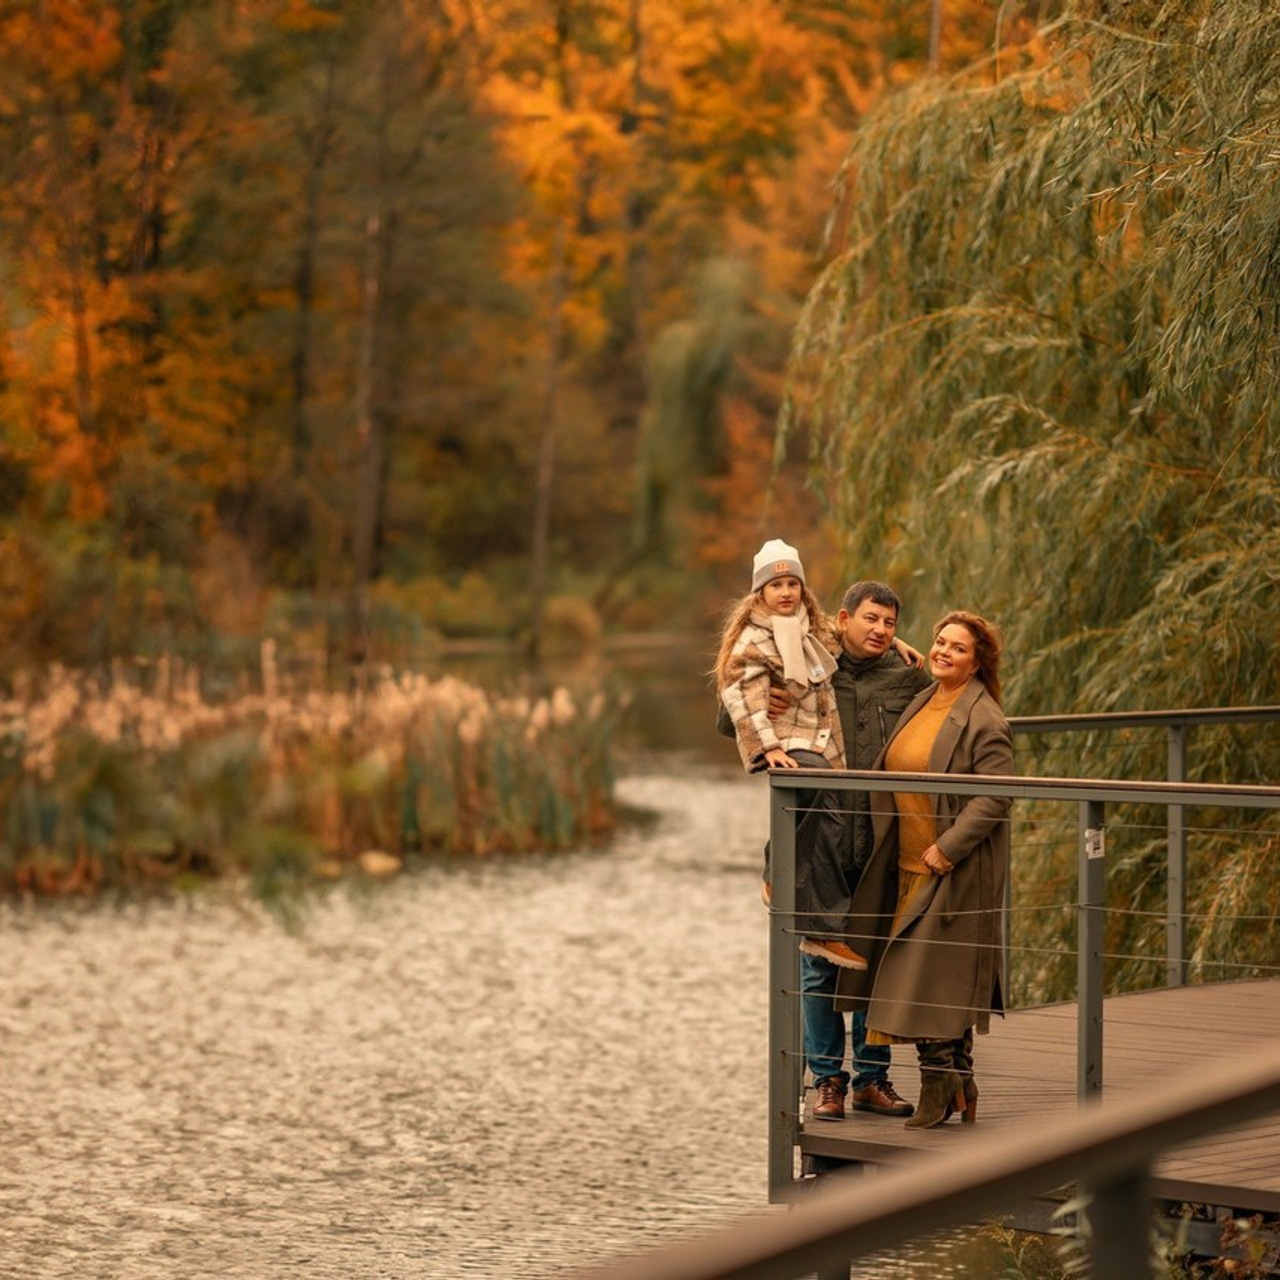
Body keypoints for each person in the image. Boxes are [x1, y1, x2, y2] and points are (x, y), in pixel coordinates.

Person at [717, 577, 929, 1120]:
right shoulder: (806, 657)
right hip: (821, 841)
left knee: (875, 960)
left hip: (881, 837)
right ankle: (828, 1081)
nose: (880, 631)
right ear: (842, 618)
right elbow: (731, 711)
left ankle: (873, 1079)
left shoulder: (906, 678)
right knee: (818, 969)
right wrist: (774, 697)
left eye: (890, 623)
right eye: (871, 620)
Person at [836, 609, 1013, 1130]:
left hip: (948, 868)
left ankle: (939, 1083)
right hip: (905, 864)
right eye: (939, 642)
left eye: (957, 647)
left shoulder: (984, 717)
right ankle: (961, 1080)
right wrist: (900, 644)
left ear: (977, 663)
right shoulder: (925, 699)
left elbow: (997, 794)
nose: (942, 652)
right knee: (937, 977)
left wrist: (949, 848)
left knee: (925, 979)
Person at [715, 539, 866, 969]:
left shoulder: (812, 627)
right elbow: (740, 699)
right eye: (776, 584)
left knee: (832, 823)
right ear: (760, 593)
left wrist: (899, 645)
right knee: (814, 784)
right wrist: (769, 748)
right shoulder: (753, 640)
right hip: (787, 742)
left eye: (792, 583)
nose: (785, 592)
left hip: (820, 741)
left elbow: (851, 635)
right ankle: (775, 872)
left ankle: (822, 931)